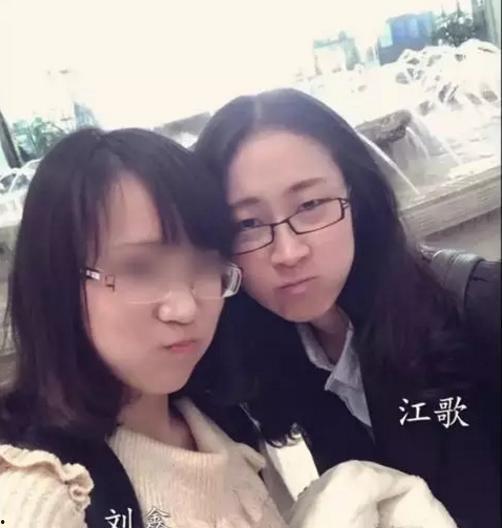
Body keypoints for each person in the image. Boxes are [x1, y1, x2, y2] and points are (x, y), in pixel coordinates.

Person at [195, 88, 500, 528]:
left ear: (358, 198)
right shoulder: (277, 350)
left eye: (311, 205)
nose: (288, 252)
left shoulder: (478, 307)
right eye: (248, 224)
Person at [0, 127, 288, 528]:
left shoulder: (225, 425)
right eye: (140, 269)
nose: (184, 308)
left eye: (204, 267)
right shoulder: (46, 494)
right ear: (57, 280)